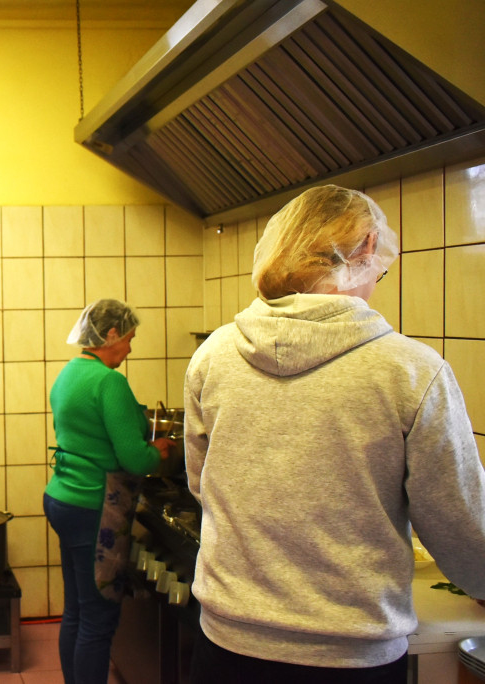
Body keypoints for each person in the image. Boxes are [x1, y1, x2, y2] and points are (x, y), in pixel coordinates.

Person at [183, 185, 485, 684]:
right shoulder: (411, 370)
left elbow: (202, 485)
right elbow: (460, 521)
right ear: (366, 249)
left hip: (228, 645)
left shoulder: (214, 355)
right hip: (349, 657)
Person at [44, 298, 169, 684]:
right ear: (110, 334)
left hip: (62, 497)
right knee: (98, 618)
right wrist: (160, 453)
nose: (131, 348)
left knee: (77, 612)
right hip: (92, 506)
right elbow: (133, 458)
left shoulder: (69, 373)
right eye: (129, 338)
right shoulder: (108, 381)